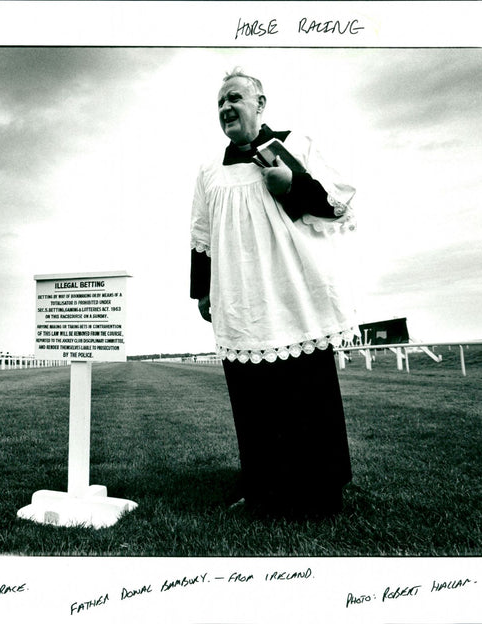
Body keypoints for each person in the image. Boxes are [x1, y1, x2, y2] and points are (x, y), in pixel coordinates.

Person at [189, 69, 359, 517]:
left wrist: (291, 186)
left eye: (235, 98)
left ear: (260, 103)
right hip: (241, 301)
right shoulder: (210, 171)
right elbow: (200, 233)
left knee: (309, 396)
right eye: (220, 102)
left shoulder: (294, 145)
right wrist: (202, 293)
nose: (226, 108)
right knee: (254, 404)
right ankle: (263, 491)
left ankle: (322, 493)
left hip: (294, 292)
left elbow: (337, 204)